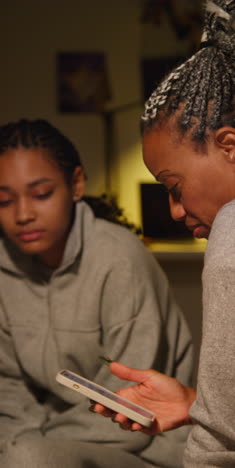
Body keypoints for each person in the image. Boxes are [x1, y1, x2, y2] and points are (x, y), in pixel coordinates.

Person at [94, 0, 235, 467]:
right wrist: (198, 405)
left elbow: (222, 456)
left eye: (174, 186)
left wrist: (214, 428)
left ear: (230, 147)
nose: (173, 209)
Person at [0, 118, 193, 468]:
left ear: (76, 184)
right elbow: (8, 387)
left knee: (27, 458)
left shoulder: (120, 259)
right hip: (45, 442)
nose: (23, 214)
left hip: (148, 446)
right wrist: (16, 442)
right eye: (3, 201)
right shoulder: (4, 268)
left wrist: (29, 446)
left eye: (41, 194)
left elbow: (128, 405)